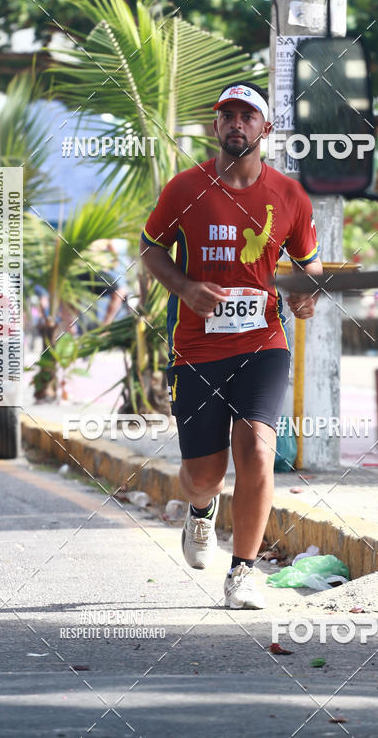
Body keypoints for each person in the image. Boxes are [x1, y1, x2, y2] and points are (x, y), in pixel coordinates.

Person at [139, 81, 322, 609]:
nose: (237, 124)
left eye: (248, 116)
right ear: (216, 126)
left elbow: (307, 263)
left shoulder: (289, 195)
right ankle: (200, 512)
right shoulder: (184, 189)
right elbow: (151, 250)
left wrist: (306, 294)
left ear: (264, 129)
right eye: (228, 116)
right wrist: (186, 288)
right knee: (204, 476)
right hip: (198, 349)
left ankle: (242, 571)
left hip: (264, 343)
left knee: (258, 454)